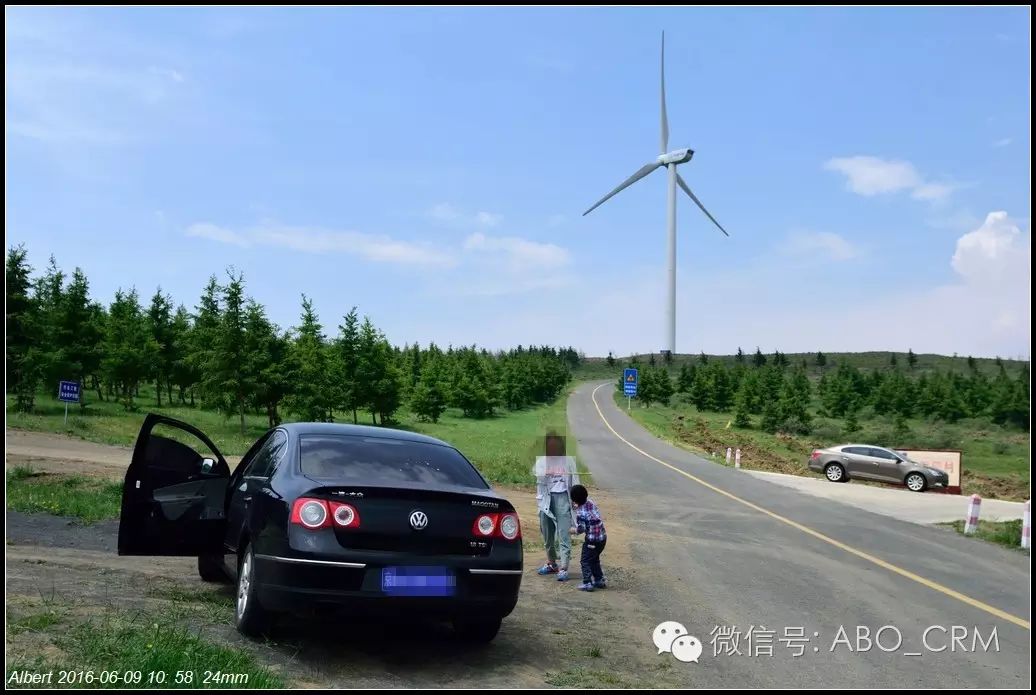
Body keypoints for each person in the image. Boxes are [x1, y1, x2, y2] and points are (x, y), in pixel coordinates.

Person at [533, 432, 579, 582]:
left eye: (555, 445)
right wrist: (545, 473)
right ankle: (552, 563)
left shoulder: (568, 461)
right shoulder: (541, 462)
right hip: (546, 499)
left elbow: (575, 481)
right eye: (550, 446)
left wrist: (576, 500)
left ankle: (564, 567)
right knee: (547, 535)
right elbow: (539, 482)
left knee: (563, 534)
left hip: (563, 498)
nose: (553, 448)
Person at [568, 484, 607, 592]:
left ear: (574, 500)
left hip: (591, 541)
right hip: (602, 538)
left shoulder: (580, 513)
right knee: (594, 559)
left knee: (585, 561)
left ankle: (587, 583)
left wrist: (573, 530)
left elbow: (581, 529)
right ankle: (599, 580)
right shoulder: (591, 502)